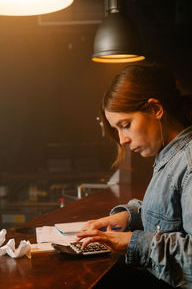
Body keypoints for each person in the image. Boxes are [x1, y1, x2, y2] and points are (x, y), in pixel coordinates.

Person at [77, 64, 192, 288]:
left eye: (126, 125)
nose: (122, 140)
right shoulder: (169, 154)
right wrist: (129, 217)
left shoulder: (188, 161)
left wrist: (134, 243)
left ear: (155, 108)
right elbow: (169, 213)